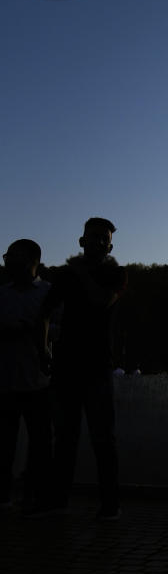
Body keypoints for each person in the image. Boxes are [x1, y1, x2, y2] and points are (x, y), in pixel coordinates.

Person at [43, 217, 127, 519]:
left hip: (97, 366)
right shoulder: (67, 275)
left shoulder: (116, 274)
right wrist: (44, 347)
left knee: (103, 437)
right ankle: (57, 501)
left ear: (111, 245)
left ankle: (110, 504)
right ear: (82, 241)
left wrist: (79, 273)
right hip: (66, 364)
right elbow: (46, 310)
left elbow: (102, 302)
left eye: (104, 239)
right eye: (93, 237)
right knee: (64, 437)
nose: (98, 242)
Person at [0, 239, 53, 509]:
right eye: (7, 256)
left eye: (12, 256)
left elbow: (59, 329)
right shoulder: (2, 293)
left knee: (40, 444)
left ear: (32, 260)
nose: (7, 261)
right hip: (5, 381)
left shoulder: (48, 292)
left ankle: (34, 495)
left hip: (38, 382)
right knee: (3, 444)